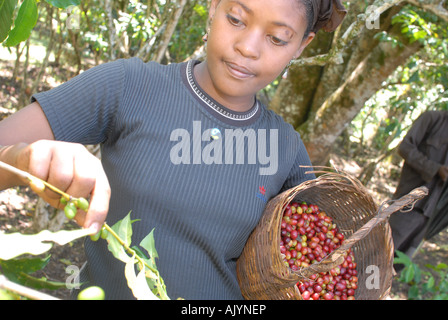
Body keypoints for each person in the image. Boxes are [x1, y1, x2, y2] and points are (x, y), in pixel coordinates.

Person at [0, 0, 347, 299]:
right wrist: (22, 158)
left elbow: (316, 259)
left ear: (302, 45)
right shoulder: (128, 86)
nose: (248, 47)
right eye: (236, 19)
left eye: (277, 38)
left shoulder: (285, 148)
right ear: (213, 6)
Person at [389, 110, 448, 261]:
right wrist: (434, 169)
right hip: (408, 205)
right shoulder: (434, 119)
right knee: (379, 253)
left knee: (399, 264)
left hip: (431, 218)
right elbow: (405, 147)